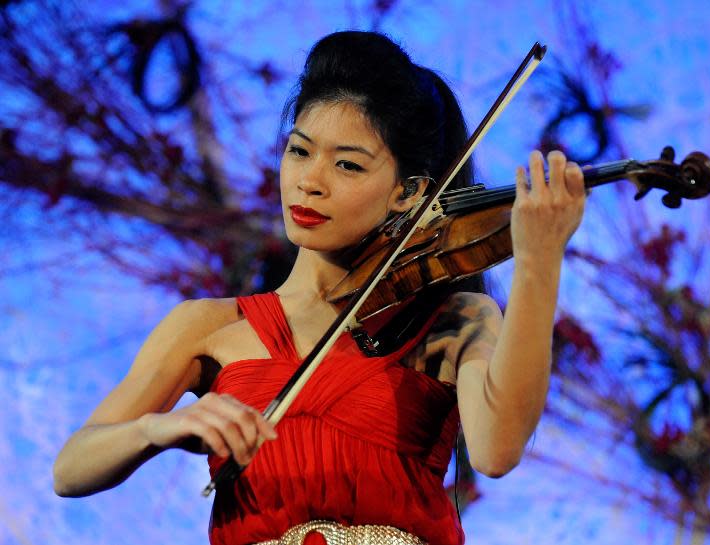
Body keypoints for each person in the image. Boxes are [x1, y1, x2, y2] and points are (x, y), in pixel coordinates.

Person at [53, 31, 586, 545]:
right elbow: (73, 467)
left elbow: (496, 451)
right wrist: (157, 429)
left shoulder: (452, 320)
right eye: (300, 151)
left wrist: (539, 258)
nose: (310, 180)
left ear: (409, 193)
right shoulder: (208, 326)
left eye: (348, 164)